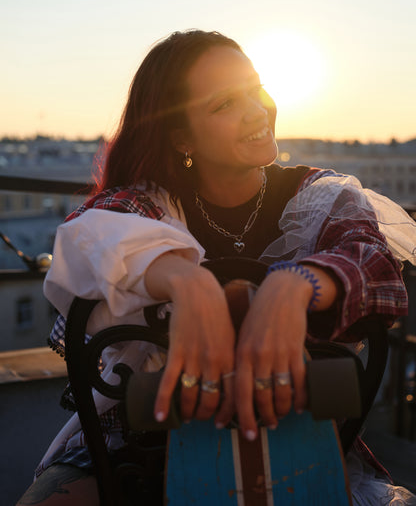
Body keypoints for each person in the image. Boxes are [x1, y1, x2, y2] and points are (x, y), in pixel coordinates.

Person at [17, 30, 416, 505]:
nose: (257, 110)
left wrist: (294, 285)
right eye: (225, 103)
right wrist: (187, 282)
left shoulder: (320, 195)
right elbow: (89, 235)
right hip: (140, 439)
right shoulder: (149, 201)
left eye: (256, 87)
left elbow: (371, 262)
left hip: (294, 436)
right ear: (180, 134)